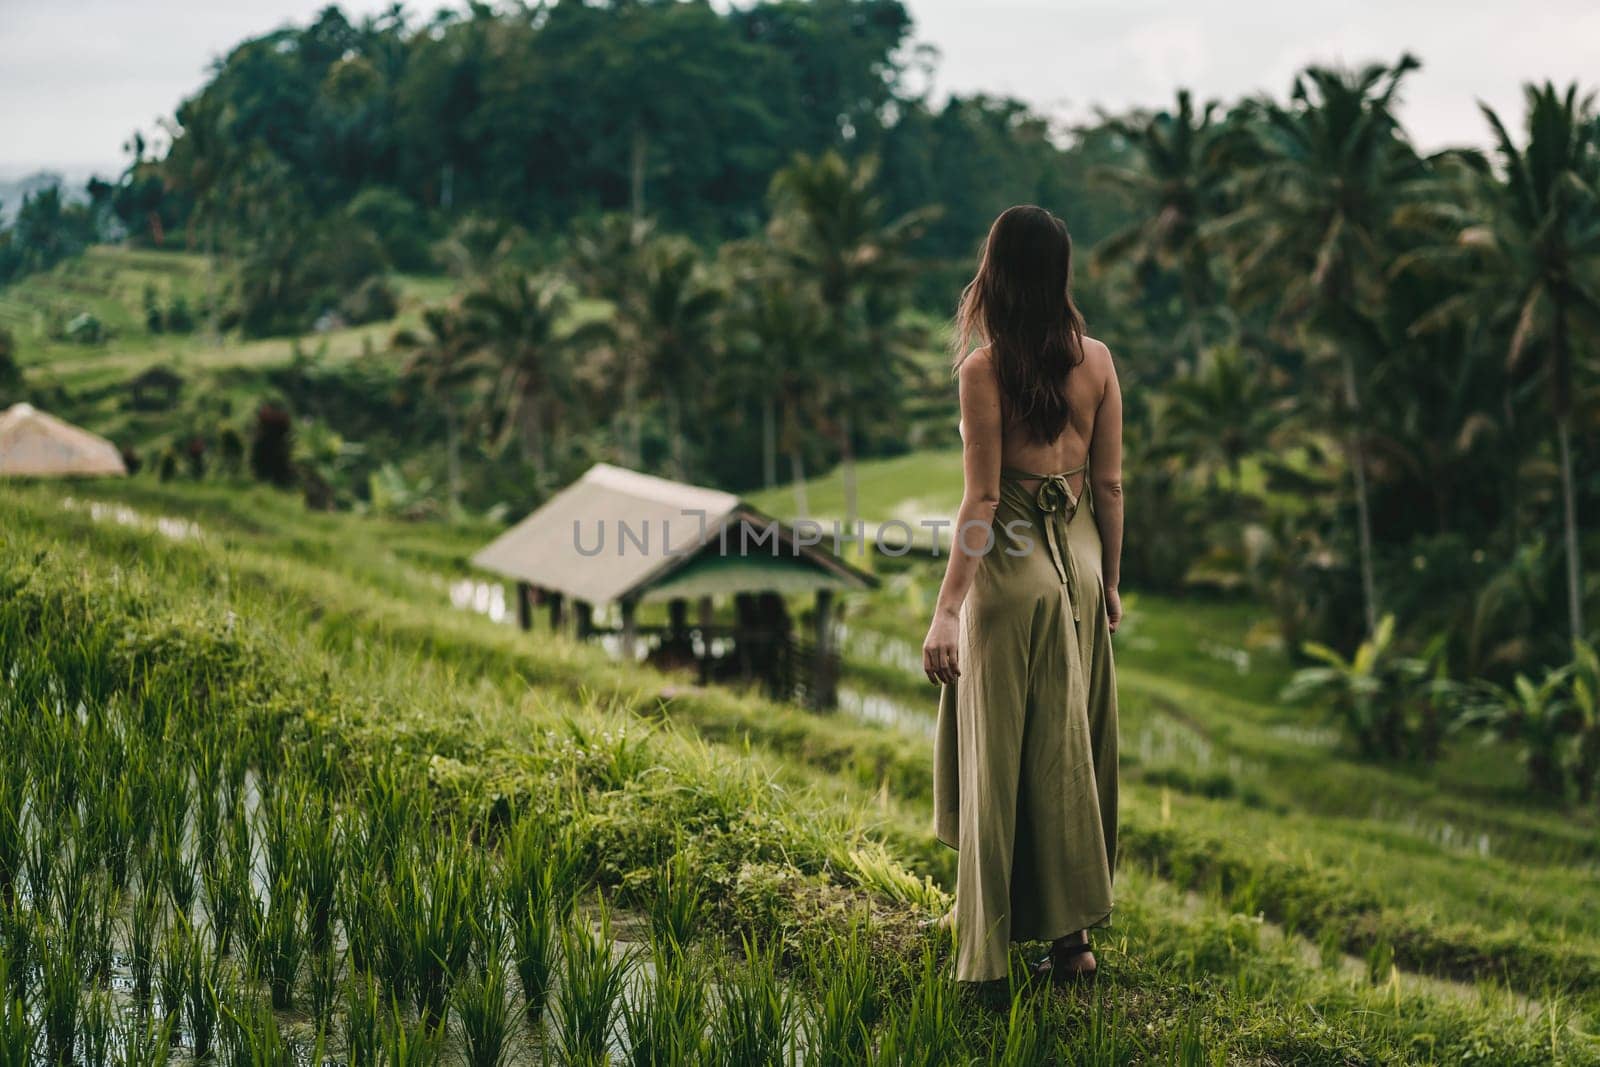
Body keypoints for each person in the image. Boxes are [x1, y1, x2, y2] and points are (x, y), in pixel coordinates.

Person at [922, 204, 1123, 1001]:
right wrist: (1109, 581)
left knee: (996, 755)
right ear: (1062, 273)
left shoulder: (982, 369)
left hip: (1008, 573)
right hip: (1074, 567)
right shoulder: (1100, 360)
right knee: (1066, 751)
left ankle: (987, 956)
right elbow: (1107, 484)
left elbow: (980, 501)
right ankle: (1072, 947)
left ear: (993, 273)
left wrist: (945, 611)